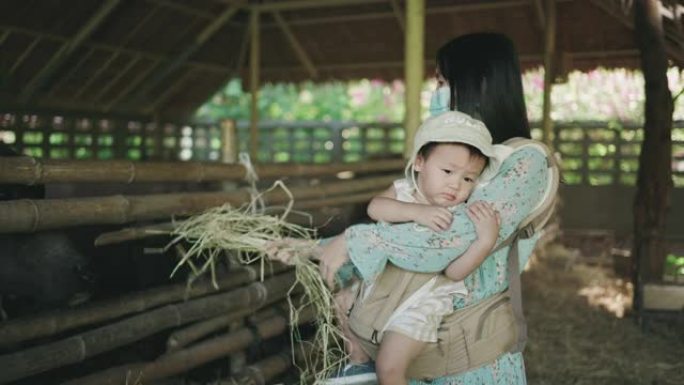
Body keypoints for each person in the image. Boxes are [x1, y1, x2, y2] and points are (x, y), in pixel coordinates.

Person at [316, 33, 549, 385]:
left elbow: (452, 235)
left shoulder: (525, 161)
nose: (436, 91)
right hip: (414, 347)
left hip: (473, 358)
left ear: (479, 83)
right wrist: (316, 249)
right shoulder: (448, 155)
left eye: (442, 81)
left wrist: (355, 240)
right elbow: (389, 212)